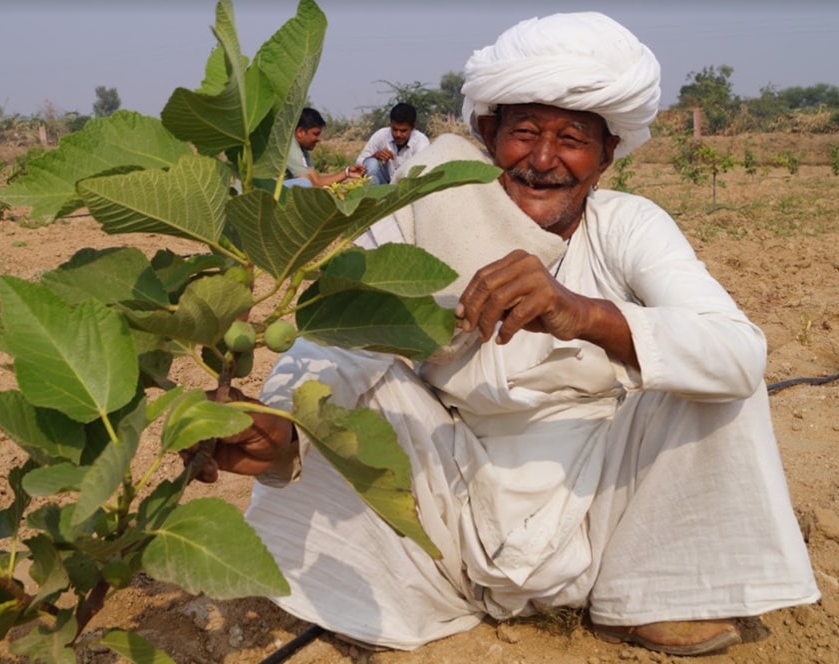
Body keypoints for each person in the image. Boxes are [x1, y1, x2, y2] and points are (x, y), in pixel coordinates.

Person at [204, 11, 820, 657]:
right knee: (340, 384)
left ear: (607, 152)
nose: (544, 160)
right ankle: (388, 590)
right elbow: (337, 344)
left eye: (573, 138)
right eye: (524, 132)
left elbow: (738, 351)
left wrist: (586, 315)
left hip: (605, 489)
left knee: (714, 370)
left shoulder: (629, 225)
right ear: (490, 133)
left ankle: (651, 592)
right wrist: (280, 430)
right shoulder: (418, 213)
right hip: (445, 485)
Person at [284, 107, 366, 188]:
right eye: (315, 134)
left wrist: (347, 172)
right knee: (304, 184)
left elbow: (317, 182)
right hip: (273, 191)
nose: (319, 139)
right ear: (300, 132)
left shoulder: (303, 149)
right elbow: (310, 185)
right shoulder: (290, 147)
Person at [355, 102, 431, 184]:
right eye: (395, 129)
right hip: (384, 185)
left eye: (403, 131)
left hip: (408, 186)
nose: (398, 135)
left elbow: (422, 170)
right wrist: (376, 156)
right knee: (371, 163)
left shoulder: (421, 142)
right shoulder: (381, 135)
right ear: (391, 123)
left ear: (413, 127)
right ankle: (373, 196)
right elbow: (360, 162)